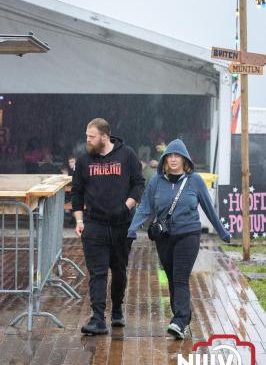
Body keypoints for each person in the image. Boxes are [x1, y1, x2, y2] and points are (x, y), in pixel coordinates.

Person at [127, 139, 231, 339]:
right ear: (165, 160)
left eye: (177, 156)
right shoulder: (156, 182)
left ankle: (180, 320)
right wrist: (132, 229)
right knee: (173, 278)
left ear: (185, 160)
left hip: (188, 235)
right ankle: (182, 318)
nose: (173, 159)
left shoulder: (195, 181)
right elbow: (145, 208)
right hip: (164, 238)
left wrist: (222, 231)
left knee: (180, 277)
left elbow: (209, 209)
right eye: (170, 156)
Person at [71, 118, 145, 335]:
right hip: (94, 225)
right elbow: (76, 192)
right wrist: (79, 220)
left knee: (119, 270)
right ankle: (97, 318)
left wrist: (126, 206)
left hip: (122, 225)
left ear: (105, 136)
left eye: (91, 136)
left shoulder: (127, 155)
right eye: (87, 136)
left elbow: (138, 183)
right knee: (97, 272)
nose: (88, 140)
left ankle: (117, 310)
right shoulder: (84, 160)